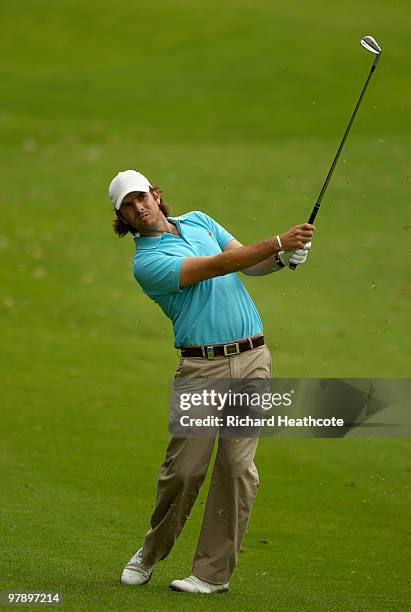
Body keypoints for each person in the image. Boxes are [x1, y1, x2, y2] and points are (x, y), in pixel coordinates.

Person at [108, 169, 314, 594]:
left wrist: (279, 259)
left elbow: (246, 261)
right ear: (123, 219)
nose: (138, 207)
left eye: (141, 197)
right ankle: (151, 552)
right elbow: (219, 265)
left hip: (253, 358)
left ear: (156, 194)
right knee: (184, 471)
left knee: (238, 469)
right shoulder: (147, 263)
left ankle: (210, 575)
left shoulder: (200, 220)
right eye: (127, 206)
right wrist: (278, 241)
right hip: (201, 370)